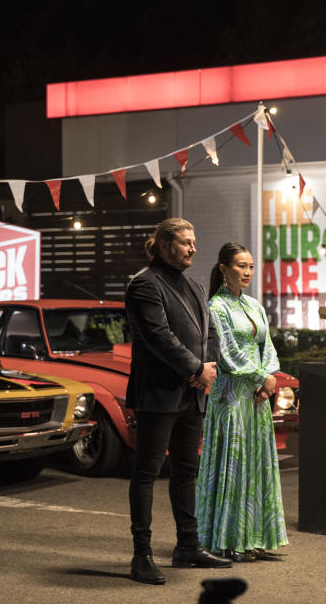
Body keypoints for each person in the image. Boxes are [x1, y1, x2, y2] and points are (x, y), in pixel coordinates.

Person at [125, 218, 232, 585]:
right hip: (158, 393)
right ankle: (142, 555)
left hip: (192, 393)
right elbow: (158, 336)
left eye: (194, 241)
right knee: (146, 474)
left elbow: (210, 333)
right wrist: (196, 368)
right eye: (186, 242)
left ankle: (188, 545)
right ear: (164, 244)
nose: (193, 248)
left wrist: (209, 366)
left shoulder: (194, 285)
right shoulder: (144, 284)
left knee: (187, 473)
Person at [195, 242, 288, 562]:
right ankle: (228, 540)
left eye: (250, 266)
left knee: (257, 465)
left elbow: (268, 347)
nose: (247, 272)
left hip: (255, 399)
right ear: (223, 269)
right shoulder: (215, 308)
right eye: (240, 266)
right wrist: (261, 378)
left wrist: (269, 377)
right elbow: (225, 354)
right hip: (231, 397)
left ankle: (256, 538)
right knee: (233, 468)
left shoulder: (254, 305)